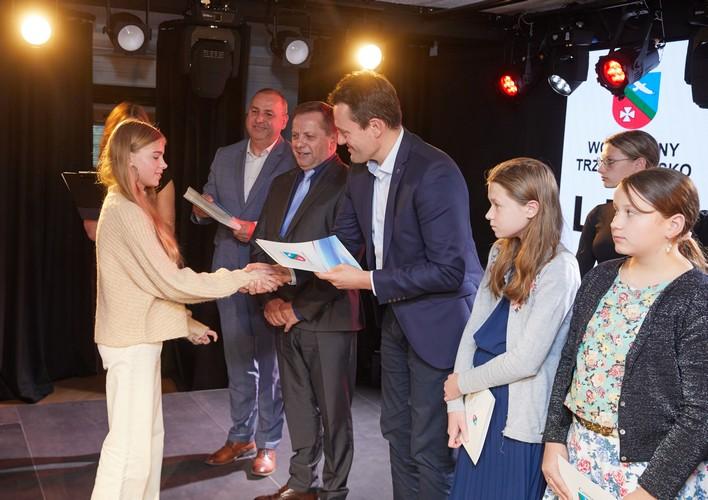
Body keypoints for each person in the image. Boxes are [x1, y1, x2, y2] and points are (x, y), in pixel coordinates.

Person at [91, 119, 284, 499]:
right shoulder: (125, 210)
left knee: (147, 441)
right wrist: (240, 277)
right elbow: (171, 282)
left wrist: (185, 322)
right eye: (156, 156)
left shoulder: (127, 205)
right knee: (128, 450)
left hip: (137, 341)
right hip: (130, 345)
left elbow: (145, 285)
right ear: (129, 158)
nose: (164, 165)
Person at [317, 70, 484, 500]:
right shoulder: (359, 171)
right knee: (397, 433)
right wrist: (295, 264)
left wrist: (366, 280)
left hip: (439, 326)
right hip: (395, 319)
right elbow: (344, 242)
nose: (339, 142)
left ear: (375, 126)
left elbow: (449, 270)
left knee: (431, 447)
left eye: (344, 132)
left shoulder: (434, 171)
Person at [542, 168, 708, 500]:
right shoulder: (600, 277)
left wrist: (650, 489)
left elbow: (700, 413)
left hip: (648, 474)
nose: (616, 223)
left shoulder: (696, 297)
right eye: (617, 210)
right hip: (579, 456)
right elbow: (568, 364)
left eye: (632, 213)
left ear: (673, 225)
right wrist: (554, 440)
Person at [443, 158, 581, 499]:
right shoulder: (500, 252)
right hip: (480, 400)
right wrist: (456, 402)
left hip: (516, 410)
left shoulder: (559, 268)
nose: (488, 215)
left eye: (497, 205)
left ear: (531, 208)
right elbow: (473, 329)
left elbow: (526, 360)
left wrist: (461, 383)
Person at [251, 101, 363, 500]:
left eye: (309, 136)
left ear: (334, 139)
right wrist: (271, 300)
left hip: (328, 318)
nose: (299, 143)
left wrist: (299, 308)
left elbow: (348, 255)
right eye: (295, 135)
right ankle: (301, 485)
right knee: (297, 407)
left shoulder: (350, 183)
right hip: (282, 316)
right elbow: (261, 245)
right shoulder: (281, 183)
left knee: (334, 415)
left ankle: (333, 491)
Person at [192, 88, 297, 475]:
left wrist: (257, 230)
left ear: (283, 120)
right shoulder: (225, 155)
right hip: (227, 270)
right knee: (237, 360)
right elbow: (207, 201)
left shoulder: (294, 158)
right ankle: (240, 436)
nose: (260, 119)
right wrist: (203, 208)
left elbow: (298, 217)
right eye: (255, 111)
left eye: (269, 114)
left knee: (269, 364)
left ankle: (268, 444)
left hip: (270, 271)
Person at [84, 101, 176, 241]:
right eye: (125, 135)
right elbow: (93, 231)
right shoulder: (99, 178)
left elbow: (167, 231)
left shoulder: (161, 177)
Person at [576, 130, 659, 277]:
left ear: (639, 164)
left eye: (610, 161)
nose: (600, 169)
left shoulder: (667, 216)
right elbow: (579, 276)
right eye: (601, 161)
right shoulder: (598, 214)